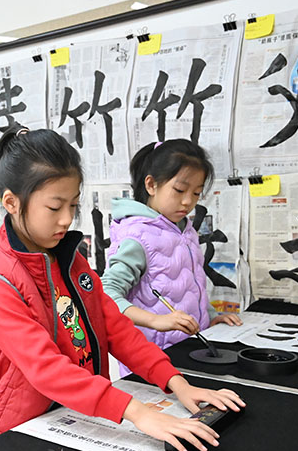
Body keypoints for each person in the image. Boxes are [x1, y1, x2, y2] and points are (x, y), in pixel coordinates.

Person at [0, 125, 244, 450]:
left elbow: (116, 329)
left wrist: (176, 383)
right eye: (55, 207)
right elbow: (46, 368)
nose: (66, 219)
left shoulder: (69, 259)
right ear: (12, 203)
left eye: (74, 205)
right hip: (12, 432)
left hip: (70, 417)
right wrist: (137, 412)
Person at [102, 140, 242, 353]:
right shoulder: (137, 236)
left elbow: (191, 288)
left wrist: (211, 316)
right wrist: (155, 320)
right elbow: (106, 295)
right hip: (152, 356)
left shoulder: (185, 230)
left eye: (196, 193)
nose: (187, 201)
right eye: (179, 190)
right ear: (151, 185)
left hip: (189, 346)